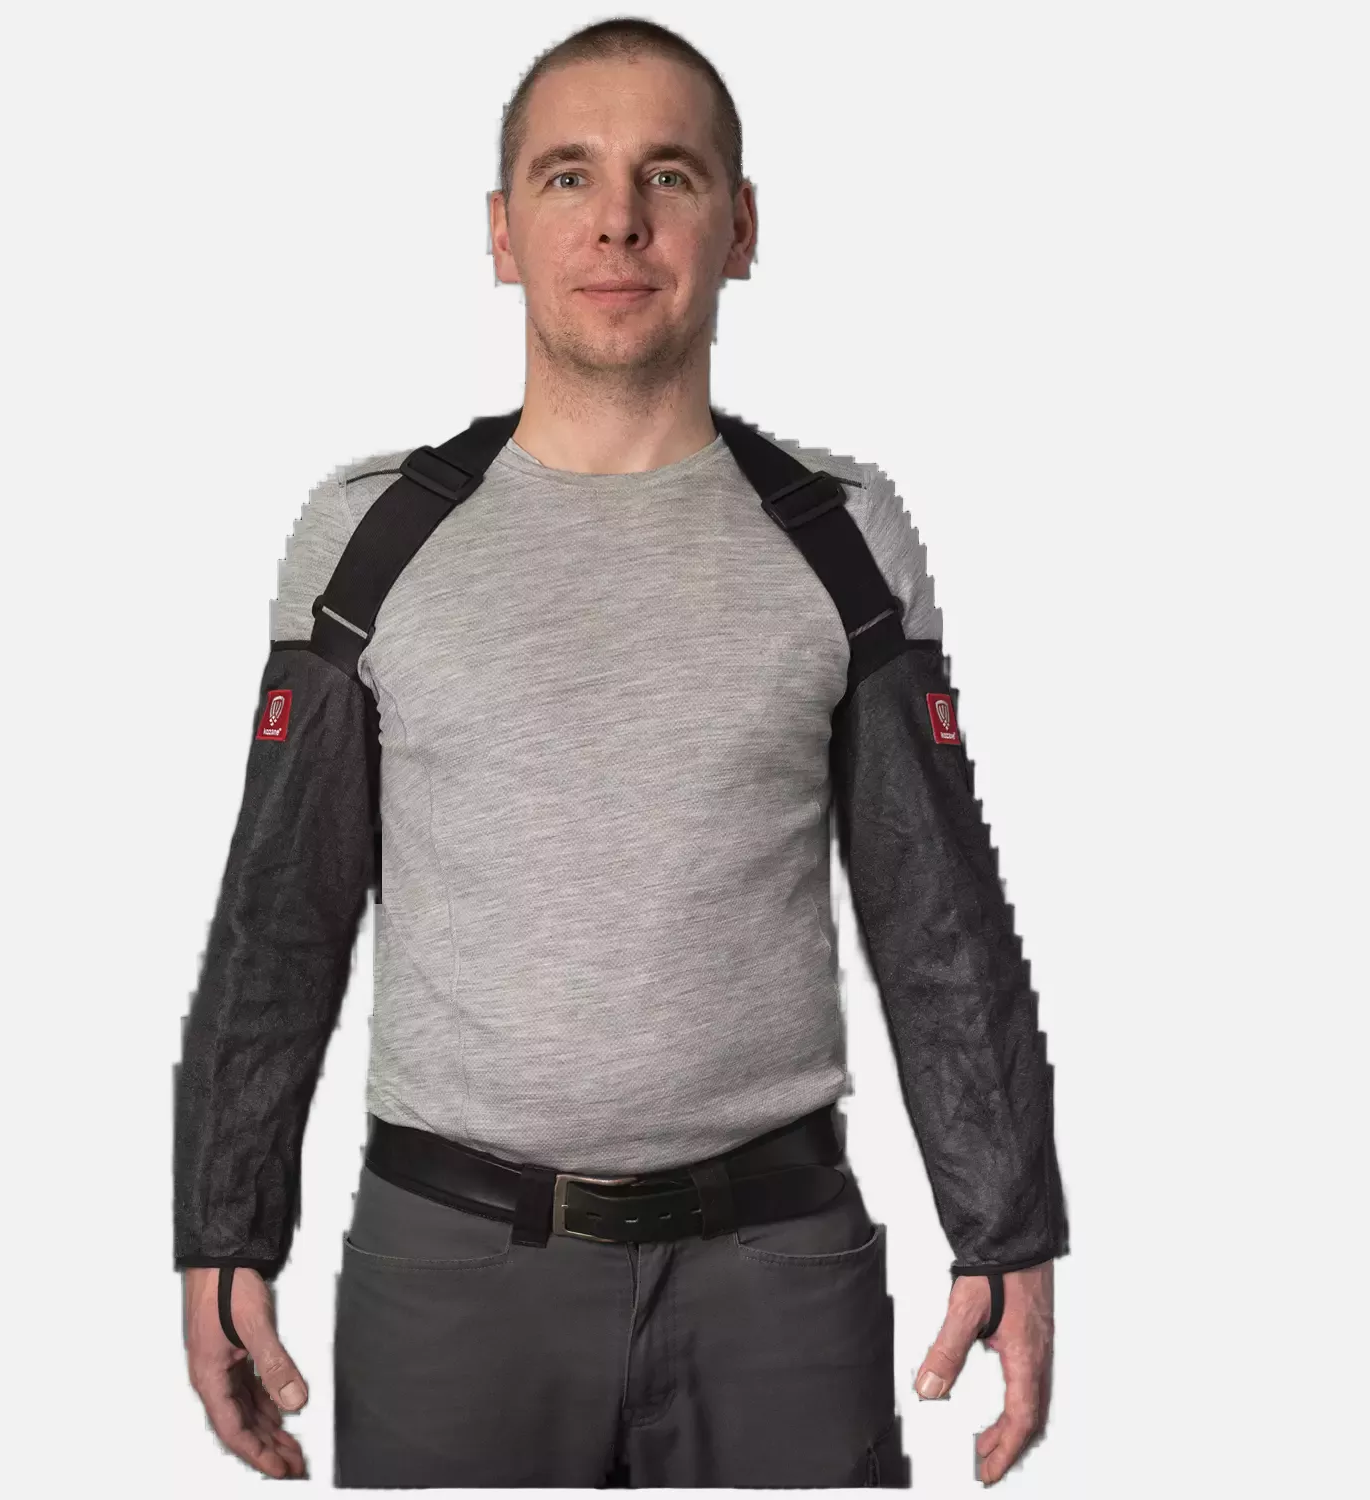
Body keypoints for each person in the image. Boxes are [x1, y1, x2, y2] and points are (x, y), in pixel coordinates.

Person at [173, 16, 1068, 1488]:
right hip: (451, 1280)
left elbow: (938, 919)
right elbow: (281, 916)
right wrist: (223, 1235)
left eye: (669, 175)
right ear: (501, 231)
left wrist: (1008, 1226)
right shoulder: (367, 538)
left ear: (741, 226)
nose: (618, 222)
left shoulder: (845, 533)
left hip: (777, 1277)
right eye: (567, 175)